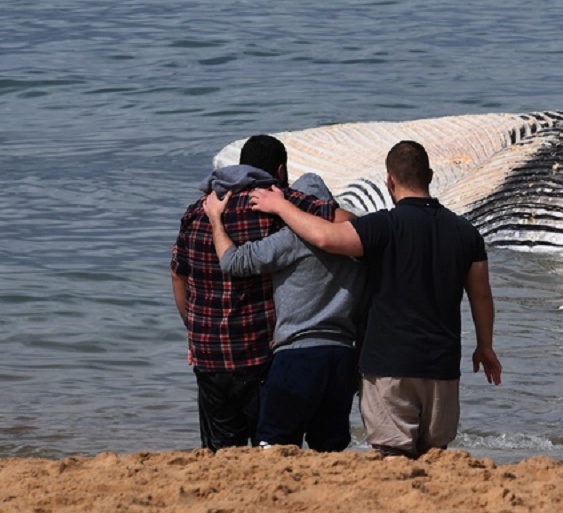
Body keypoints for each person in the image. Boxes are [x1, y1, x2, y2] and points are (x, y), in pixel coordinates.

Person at [249, 140, 501, 458]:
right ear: (431, 176)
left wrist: (281, 206)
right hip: (442, 365)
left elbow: (325, 236)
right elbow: (481, 295)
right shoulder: (465, 233)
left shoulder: (383, 226)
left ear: (390, 180)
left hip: (388, 365)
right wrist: (485, 346)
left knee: (391, 456)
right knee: (436, 455)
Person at [170, 134, 345, 451]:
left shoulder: (196, 213)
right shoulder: (278, 205)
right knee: (270, 445)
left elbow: (178, 275)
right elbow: (341, 224)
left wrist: (192, 328)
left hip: (208, 353)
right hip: (259, 352)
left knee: (222, 452)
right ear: (280, 171)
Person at [202, 173, 364, 452]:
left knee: (273, 442)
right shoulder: (353, 244)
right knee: (330, 447)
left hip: (297, 354)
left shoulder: (291, 239)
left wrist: (216, 219)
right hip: (342, 356)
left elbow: (234, 261)